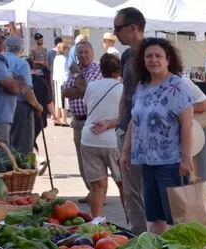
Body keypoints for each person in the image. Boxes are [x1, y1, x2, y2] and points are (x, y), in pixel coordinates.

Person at [120, 38, 194, 235]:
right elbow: (134, 120)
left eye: (158, 56)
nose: (153, 60)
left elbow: (187, 125)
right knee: (155, 217)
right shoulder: (142, 86)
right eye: (149, 56)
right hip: (147, 162)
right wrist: (126, 151)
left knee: (180, 219)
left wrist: (186, 159)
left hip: (171, 163)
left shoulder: (178, 86)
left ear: (168, 59)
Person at [90, 6, 147, 233]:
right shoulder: (126, 55)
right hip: (126, 130)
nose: (115, 34)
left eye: (117, 28)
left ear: (132, 27)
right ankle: (137, 233)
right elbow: (126, 93)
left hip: (146, 133)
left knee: (147, 188)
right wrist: (119, 124)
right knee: (130, 188)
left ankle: (151, 235)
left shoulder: (151, 52)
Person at [81, 53, 124, 218]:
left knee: (97, 186)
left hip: (89, 138)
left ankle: (97, 223)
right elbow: (126, 117)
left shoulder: (92, 85)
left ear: (101, 69)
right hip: (112, 140)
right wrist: (109, 123)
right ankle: (132, 222)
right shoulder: (122, 88)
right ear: (118, 70)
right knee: (123, 184)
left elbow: (88, 105)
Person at [62, 40, 103, 202]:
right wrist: (79, 87)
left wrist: (78, 78)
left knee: (94, 161)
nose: (83, 56)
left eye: (86, 52)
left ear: (92, 53)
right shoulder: (75, 70)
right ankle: (91, 191)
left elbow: (88, 91)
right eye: (80, 53)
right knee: (81, 161)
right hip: (77, 122)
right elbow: (65, 91)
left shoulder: (96, 69)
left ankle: (100, 193)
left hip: (92, 122)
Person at [4, 36, 43, 156]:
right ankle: (21, 172)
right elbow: (26, 90)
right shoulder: (21, 63)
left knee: (6, 145)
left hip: (2, 106)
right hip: (20, 107)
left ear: (5, 47)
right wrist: (37, 106)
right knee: (22, 147)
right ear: (21, 50)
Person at [51, 41, 70, 126]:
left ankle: (57, 118)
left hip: (56, 80)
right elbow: (66, 72)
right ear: (64, 49)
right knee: (64, 101)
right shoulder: (64, 59)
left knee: (58, 101)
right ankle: (64, 120)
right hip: (63, 81)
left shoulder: (56, 58)